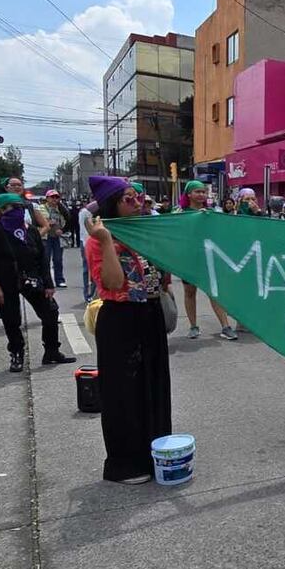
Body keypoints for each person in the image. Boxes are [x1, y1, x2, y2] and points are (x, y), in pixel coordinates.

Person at [83, 176, 172, 485]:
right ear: (112, 206)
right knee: (124, 394)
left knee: (153, 385)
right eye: (128, 200)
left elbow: (160, 273)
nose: (137, 204)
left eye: (138, 198)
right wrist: (107, 241)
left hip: (150, 315)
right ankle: (124, 464)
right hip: (120, 319)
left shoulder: (143, 232)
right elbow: (111, 283)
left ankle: (154, 453)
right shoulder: (99, 239)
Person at [0, 193, 76, 372]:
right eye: (12, 207)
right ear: (0, 210)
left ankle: (52, 351)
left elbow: (42, 257)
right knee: (11, 319)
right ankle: (17, 353)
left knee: (50, 312)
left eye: (20, 207)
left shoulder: (30, 230)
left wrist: (48, 283)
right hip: (6, 281)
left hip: (31, 278)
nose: (17, 211)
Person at [175, 180, 238, 340]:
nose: (201, 194)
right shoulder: (179, 212)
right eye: (197, 192)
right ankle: (193, 326)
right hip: (188, 258)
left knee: (214, 291)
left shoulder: (212, 212)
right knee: (190, 292)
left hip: (208, 258)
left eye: (203, 192)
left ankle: (225, 326)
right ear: (189, 194)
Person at [40, 190, 70, 288]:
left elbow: (70, 221)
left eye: (56, 197)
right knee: (46, 259)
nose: (54, 199)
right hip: (46, 237)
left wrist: (62, 230)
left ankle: (60, 280)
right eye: (52, 197)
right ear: (47, 198)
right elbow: (41, 220)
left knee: (58, 260)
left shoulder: (62, 209)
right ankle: (46, 281)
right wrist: (48, 222)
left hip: (57, 237)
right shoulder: (41, 208)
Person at [78, 201, 98, 303]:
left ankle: (92, 294)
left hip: (92, 242)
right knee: (89, 269)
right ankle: (89, 295)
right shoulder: (85, 213)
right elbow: (85, 233)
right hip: (87, 242)